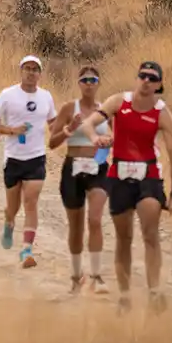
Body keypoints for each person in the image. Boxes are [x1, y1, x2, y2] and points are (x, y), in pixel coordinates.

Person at [72, 61, 172, 314]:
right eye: (142, 76)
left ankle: (154, 292)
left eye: (152, 78)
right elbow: (88, 124)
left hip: (149, 175)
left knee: (149, 230)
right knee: (124, 237)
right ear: (136, 79)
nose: (146, 81)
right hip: (119, 174)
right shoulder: (118, 102)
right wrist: (95, 138)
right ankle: (124, 295)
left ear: (159, 85)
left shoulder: (161, 112)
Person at [48, 65, 112, 295]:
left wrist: (109, 140)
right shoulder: (69, 108)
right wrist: (69, 129)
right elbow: (52, 142)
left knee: (95, 219)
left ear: (98, 83)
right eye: (84, 79)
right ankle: (76, 277)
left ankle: (96, 276)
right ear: (79, 83)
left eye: (93, 79)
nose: (88, 83)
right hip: (73, 167)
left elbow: (117, 137)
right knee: (76, 226)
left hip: (99, 168)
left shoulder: (106, 110)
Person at [0, 55, 58, 269]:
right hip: (13, 158)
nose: (31, 72)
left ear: (40, 74)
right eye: (27, 68)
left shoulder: (46, 97)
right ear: (21, 71)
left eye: (35, 69)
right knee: (12, 207)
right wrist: (12, 130)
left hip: (36, 157)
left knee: (31, 201)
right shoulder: (7, 95)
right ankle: (9, 222)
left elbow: (53, 123)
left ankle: (26, 250)